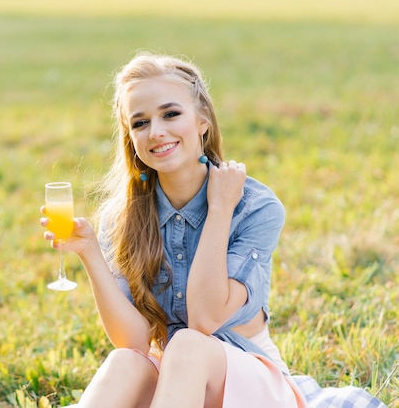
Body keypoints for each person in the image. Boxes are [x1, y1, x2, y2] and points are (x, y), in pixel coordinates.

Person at [40, 52, 385, 408]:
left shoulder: (255, 206)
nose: (156, 132)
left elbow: (204, 320)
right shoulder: (123, 216)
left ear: (202, 121)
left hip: (250, 385)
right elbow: (134, 341)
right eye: (140, 123)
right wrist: (90, 253)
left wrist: (220, 210)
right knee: (125, 362)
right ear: (130, 136)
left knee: (188, 344)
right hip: (175, 387)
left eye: (171, 114)